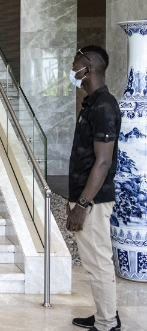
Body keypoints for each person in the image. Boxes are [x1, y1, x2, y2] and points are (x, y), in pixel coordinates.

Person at [67, 46, 122, 331]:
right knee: (94, 260)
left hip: (94, 201)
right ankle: (106, 313)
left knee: (99, 262)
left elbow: (102, 162)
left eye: (74, 64)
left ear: (87, 68)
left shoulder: (102, 107)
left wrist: (83, 205)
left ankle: (107, 323)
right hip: (87, 196)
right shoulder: (93, 104)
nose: (72, 69)